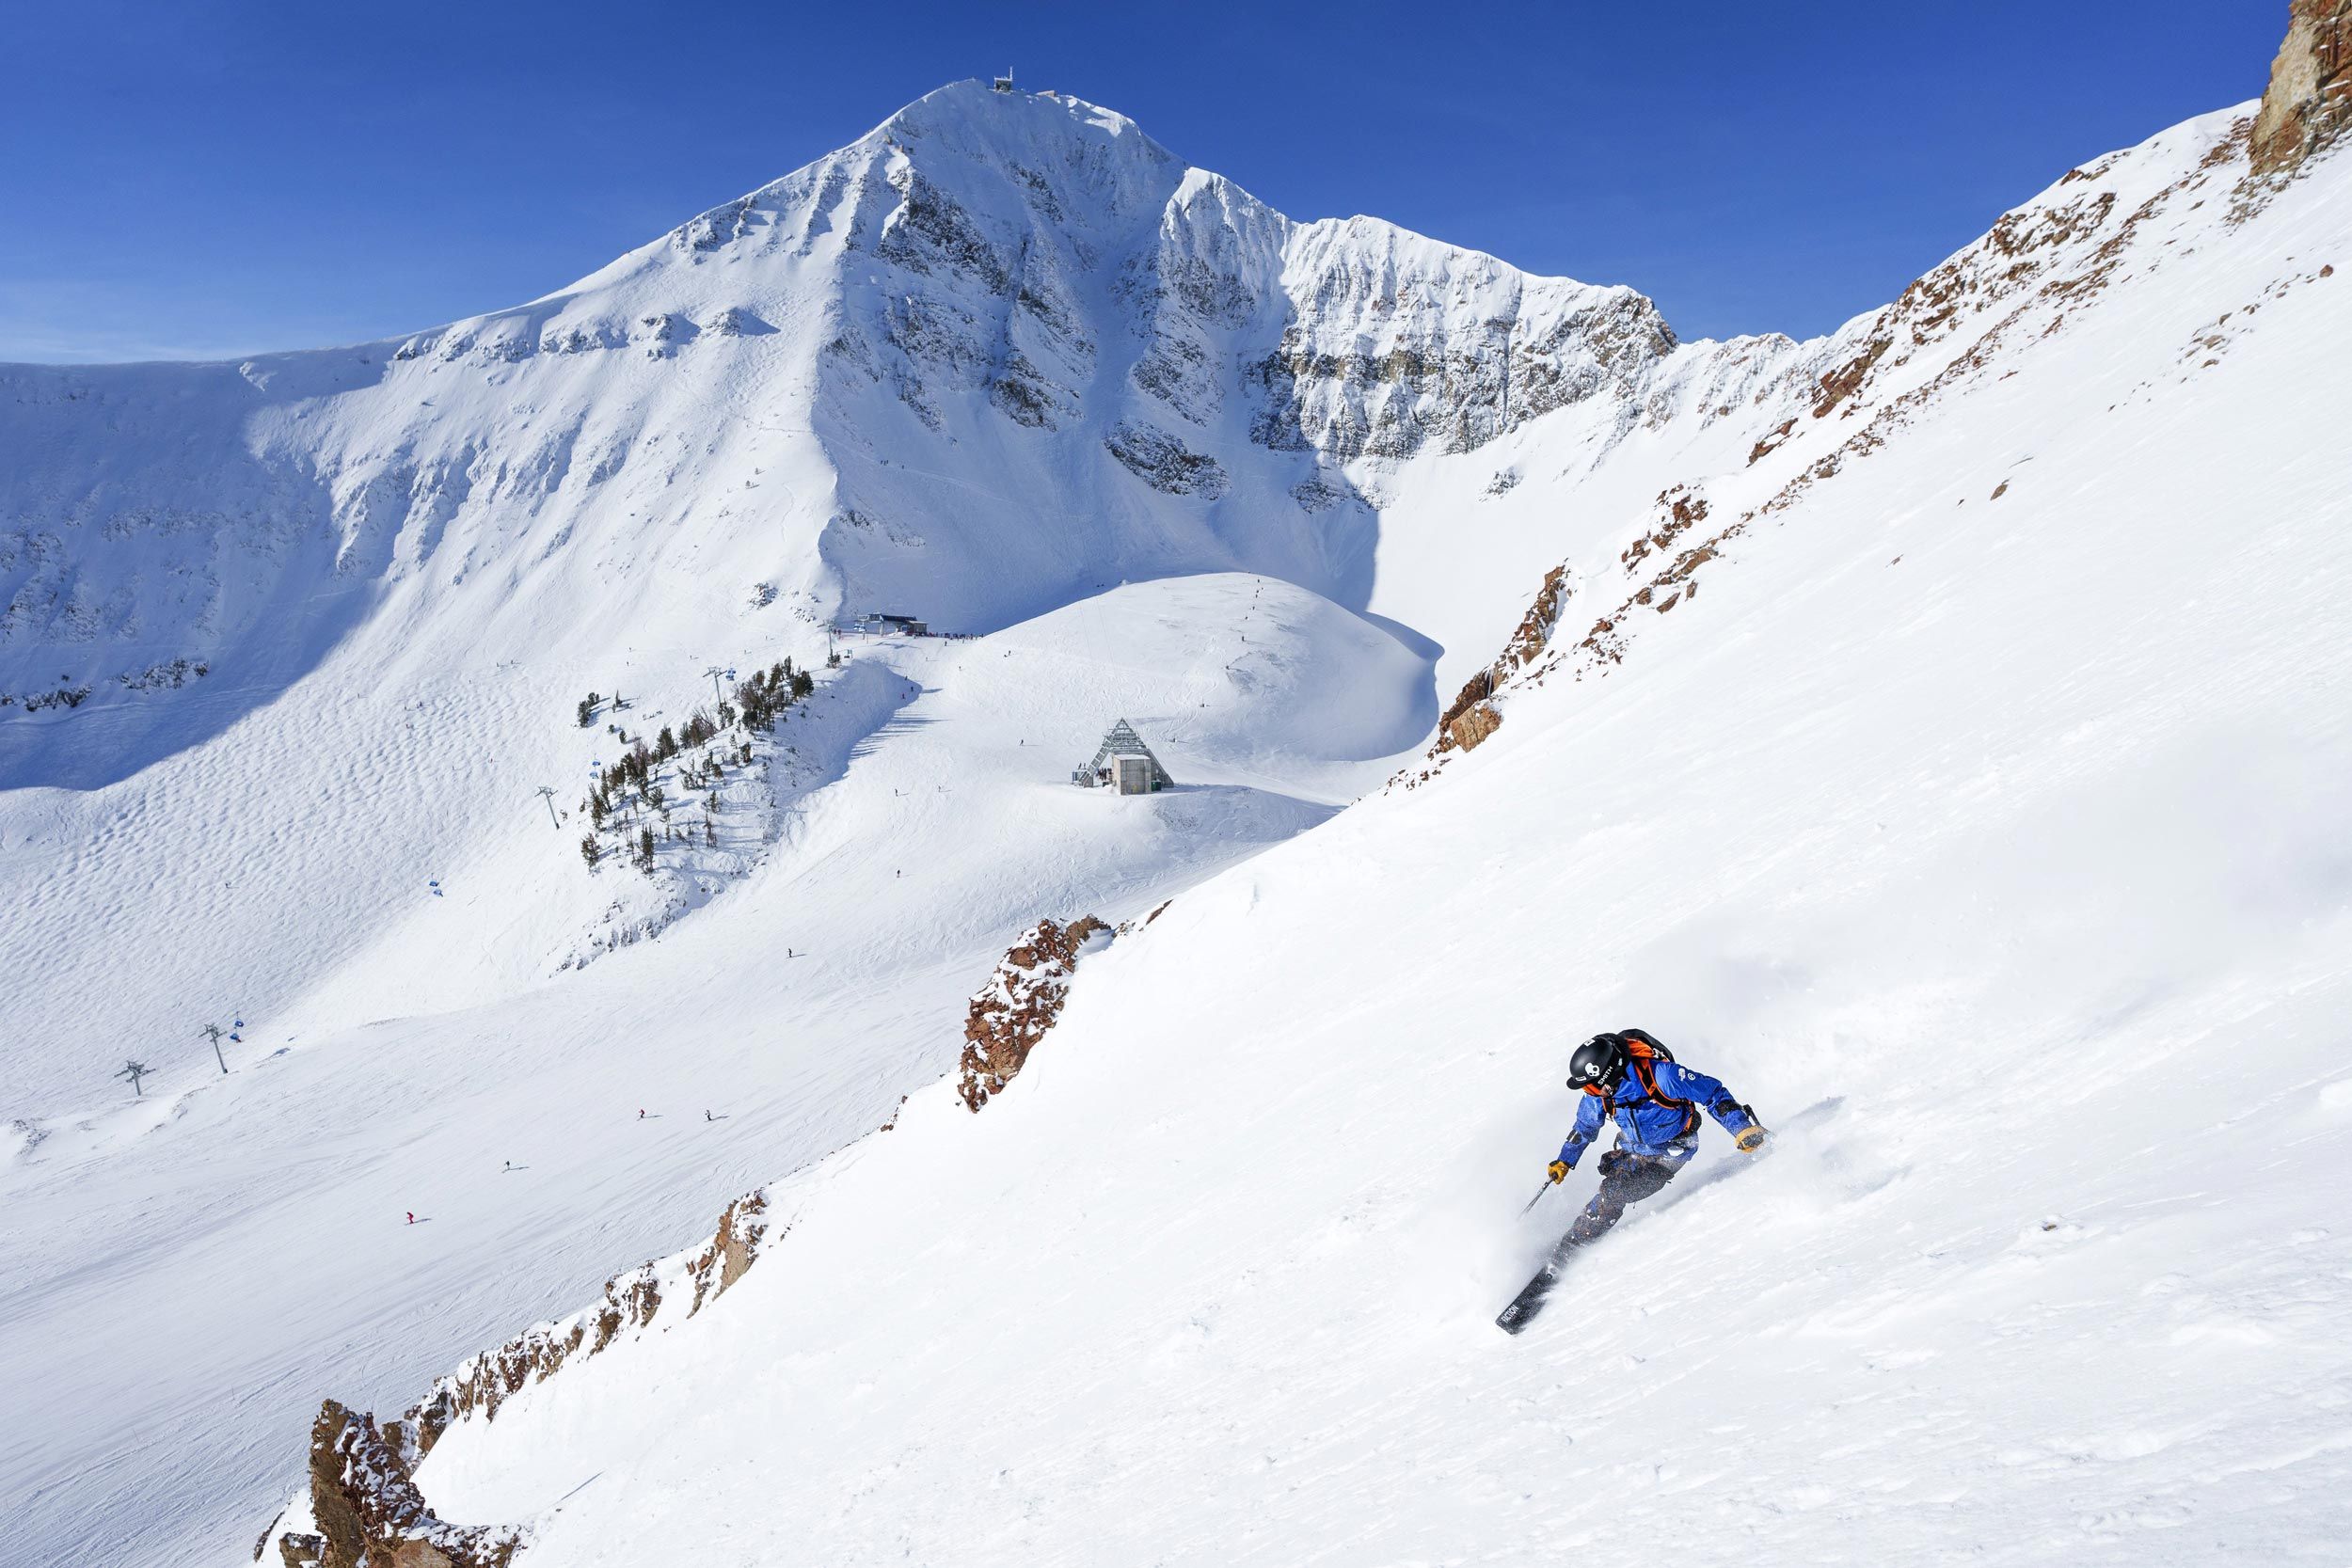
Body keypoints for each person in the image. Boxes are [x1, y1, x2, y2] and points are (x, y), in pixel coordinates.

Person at [1544, 1030, 1768, 1246]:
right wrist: (1565, 1160)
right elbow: (1584, 1127)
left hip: (1671, 1151)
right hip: (1633, 1148)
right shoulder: (1599, 1096)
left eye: (1592, 1086)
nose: (1589, 1092)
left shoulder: (1663, 1076)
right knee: (1610, 1182)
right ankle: (1579, 1231)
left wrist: (1742, 1128)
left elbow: (1712, 1093)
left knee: (1614, 1192)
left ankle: (1575, 1244)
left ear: (1609, 1075)